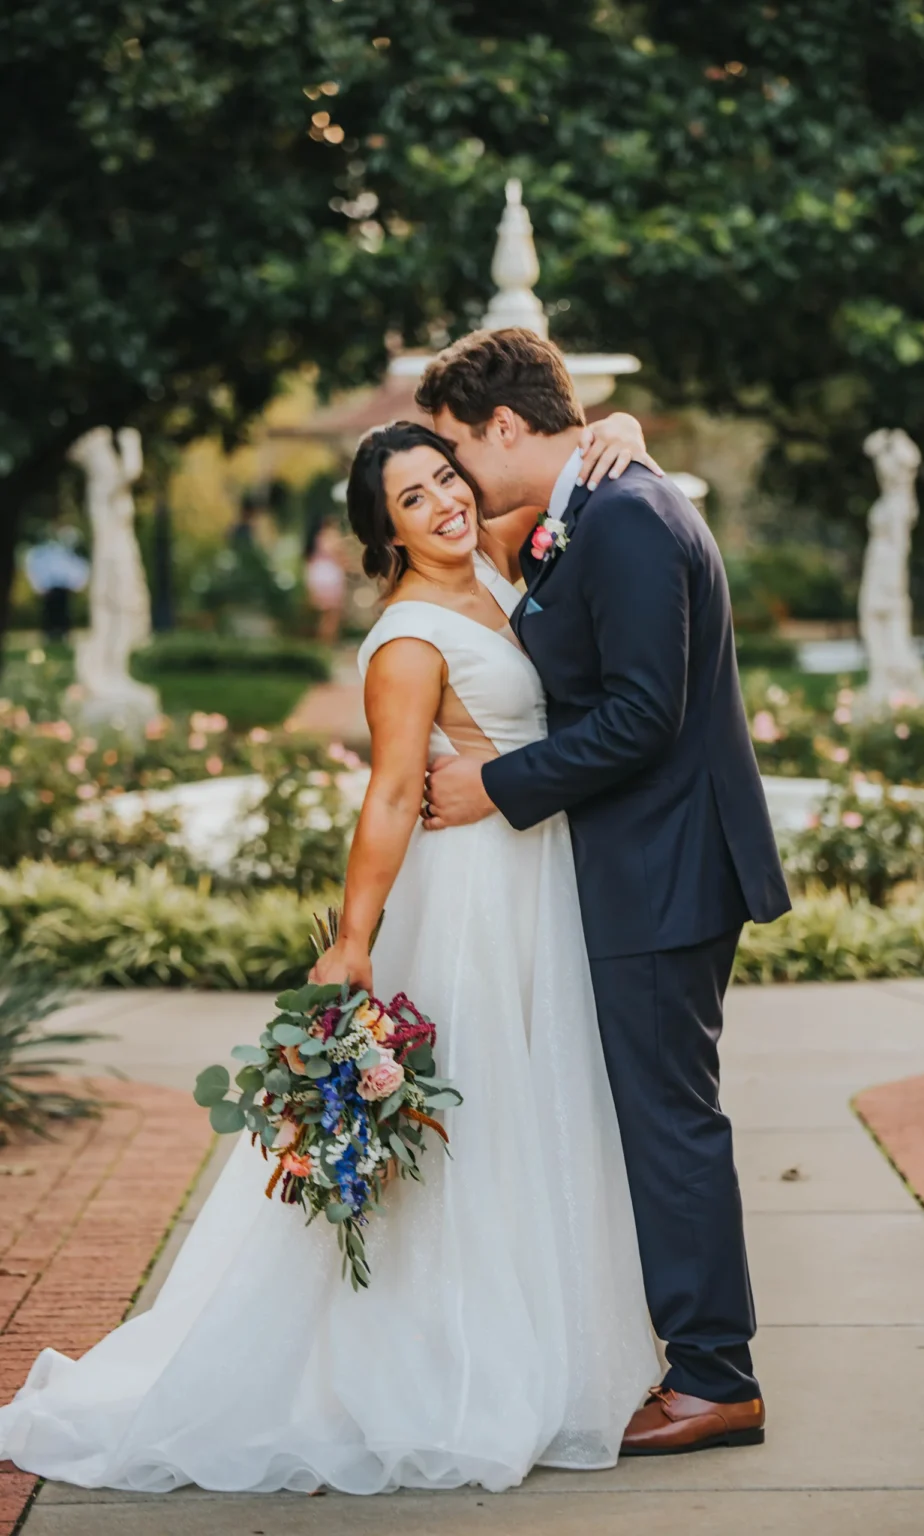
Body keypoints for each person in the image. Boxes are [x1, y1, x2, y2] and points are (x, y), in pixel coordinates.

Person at [0, 413, 662, 1496]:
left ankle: (549, 1339)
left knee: (538, 1109)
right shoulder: (406, 637)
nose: (446, 500)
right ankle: (448, 1365)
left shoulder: (493, 563)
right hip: (471, 895)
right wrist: (351, 944)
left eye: (446, 477)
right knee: (479, 1120)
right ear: (385, 534)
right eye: (414, 499)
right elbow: (393, 792)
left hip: (536, 876)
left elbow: (551, 481)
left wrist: (612, 426)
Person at [415, 328, 792, 1456]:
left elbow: (641, 713)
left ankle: (714, 1376)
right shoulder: (602, 495)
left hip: (662, 865)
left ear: (504, 428)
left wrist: (493, 784)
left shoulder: (625, 514)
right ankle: (693, 1357)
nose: (455, 480)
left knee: (668, 1123)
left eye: (454, 452)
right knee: (658, 1116)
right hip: (651, 859)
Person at [23, 525, 90, 643]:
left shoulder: (66, 553)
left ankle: (63, 634)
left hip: (63, 587)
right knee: (49, 613)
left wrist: (76, 584)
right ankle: (49, 635)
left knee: (64, 613)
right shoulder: (44, 552)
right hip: (50, 587)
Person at [303, 515, 349, 643]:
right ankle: (326, 643)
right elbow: (338, 554)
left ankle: (321, 643)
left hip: (317, 574)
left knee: (322, 616)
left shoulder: (315, 538)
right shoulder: (331, 536)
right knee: (331, 615)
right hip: (330, 576)